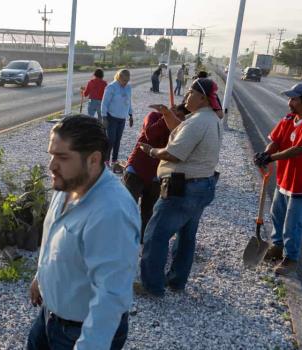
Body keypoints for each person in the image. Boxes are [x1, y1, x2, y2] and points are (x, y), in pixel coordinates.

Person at [27, 116, 139, 350]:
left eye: (62, 157)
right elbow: (53, 236)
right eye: (51, 154)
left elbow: (111, 296)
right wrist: (41, 277)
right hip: (49, 316)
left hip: (78, 332)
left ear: (94, 159)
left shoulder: (111, 213)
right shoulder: (69, 183)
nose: (51, 166)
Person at [137, 78, 223, 295]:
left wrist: (151, 152)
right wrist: (167, 113)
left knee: (155, 235)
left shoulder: (198, 122)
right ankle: (176, 281)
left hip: (183, 188)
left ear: (202, 97)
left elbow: (173, 152)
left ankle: (151, 286)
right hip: (203, 185)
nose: (186, 96)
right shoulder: (208, 119)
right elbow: (182, 133)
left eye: (190, 92)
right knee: (186, 236)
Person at [254, 83, 302, 275]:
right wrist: (265, 153)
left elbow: (299, 149)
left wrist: (271, 158)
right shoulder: (288, 118)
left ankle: (291, 257)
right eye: (290, 98)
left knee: (293, 223)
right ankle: (277, 246)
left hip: (301, 182)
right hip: (284, 178)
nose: (290, 102)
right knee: (276, 214)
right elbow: (276, 141)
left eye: (294, 99)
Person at [124, 103, 188, 240]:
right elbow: (150, 135)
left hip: (157, 174)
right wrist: (165, 118)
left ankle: (141, 241)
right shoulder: (154, 116)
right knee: (128, 208)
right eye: (177, 116)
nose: (178, 121)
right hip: (137, 168)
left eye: (182, 119)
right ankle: (123, 239)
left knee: (148, 212)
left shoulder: (182, 129)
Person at [100, 69, 134, 173]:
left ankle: (114, 160)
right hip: (111, 117)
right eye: (124, 80)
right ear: (119, 78)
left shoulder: (128, 87)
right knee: (111, 140)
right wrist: (104, 117)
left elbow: (128, 102)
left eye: (127, 80)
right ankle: (106, 160)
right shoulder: (111, 87)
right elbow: (104, 103)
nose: (126, 82)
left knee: (117, 140)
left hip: (122, 118)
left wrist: (130, 115)